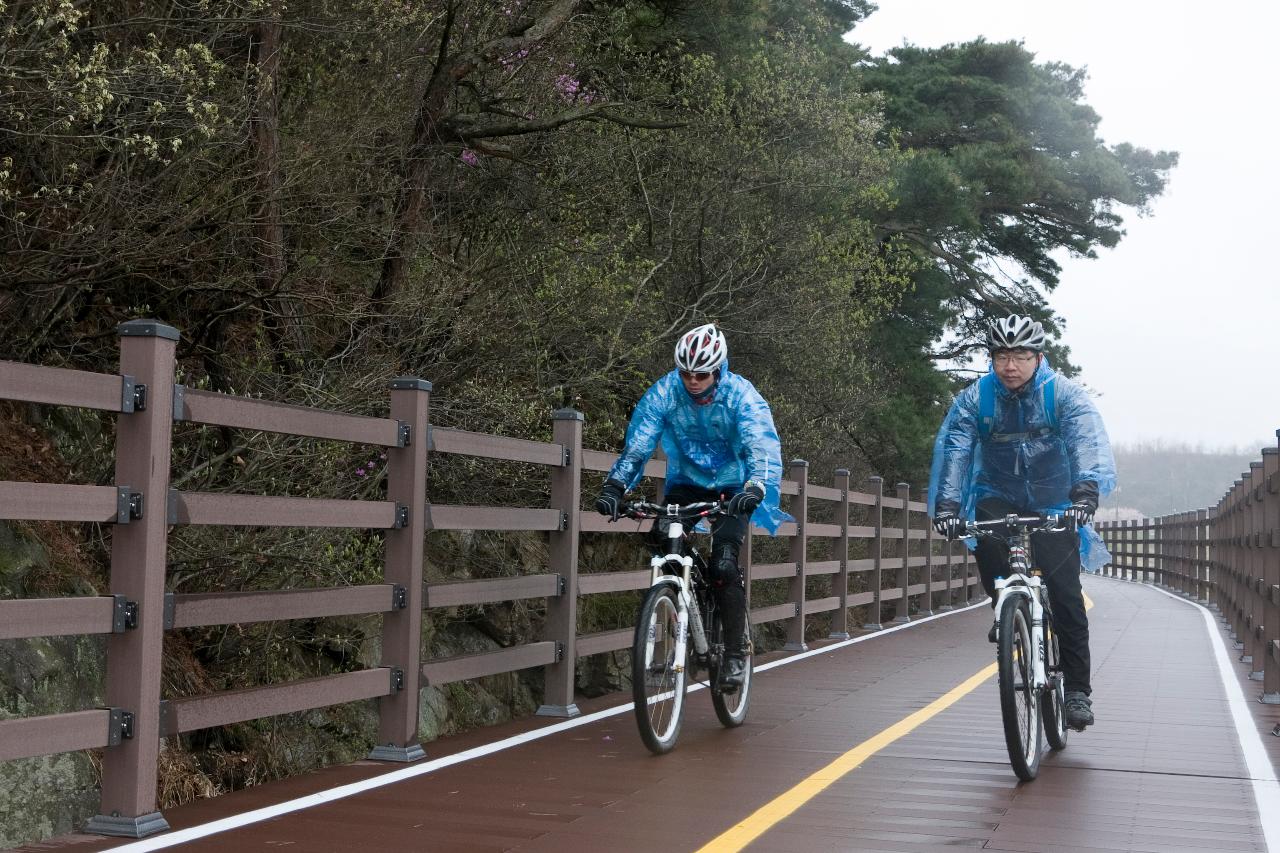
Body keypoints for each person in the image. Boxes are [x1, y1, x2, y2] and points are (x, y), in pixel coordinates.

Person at [927, 315, 1116, 730]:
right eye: (1001, 356)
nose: (1010, 366)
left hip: (1055, 500)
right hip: (997, 491)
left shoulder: (1063, 396)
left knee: (1066, 593)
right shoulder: (976, 399)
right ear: (992, 359)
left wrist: (1084, 494)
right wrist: (947, 508)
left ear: (1038, 357)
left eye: (1020, 355)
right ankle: (1006, 610)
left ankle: (1079, 692)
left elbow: (1086, 442)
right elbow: (955, 452)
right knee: (988, 542)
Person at [595, 323, 791, 689]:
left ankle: (734, 653)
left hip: (736, 485)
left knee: (723, 565)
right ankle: (677, 602)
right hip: (686, 482)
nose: (692, 381)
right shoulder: (666, 392)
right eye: (686, 374)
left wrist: (757, 486)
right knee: (662, 543)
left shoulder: (741, 396)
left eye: (701, 374)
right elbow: (639, 443)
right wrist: (616, 486)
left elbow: (760, 444)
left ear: (718, 370)